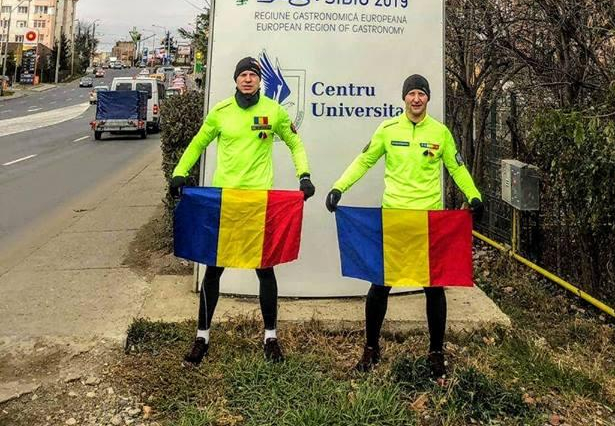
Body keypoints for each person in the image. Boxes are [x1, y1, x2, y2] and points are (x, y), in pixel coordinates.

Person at [325, 74, 483, 382]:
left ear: (427, 98)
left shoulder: (440, 132)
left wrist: (473, 194)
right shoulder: (387, 129)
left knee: (433, 287)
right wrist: (338, 187)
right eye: (411, 93)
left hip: (428, 221)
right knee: (380, 284)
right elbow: (363, 161)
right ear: (404, 98)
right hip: (394, 217)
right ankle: (371, 348)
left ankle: (436, 352)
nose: (416, 99)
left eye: (421, 94)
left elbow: (456, 167)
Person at [170, 55, 315, 366]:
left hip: (259, 204)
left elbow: (295, 143)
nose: (248, 79)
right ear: (235, 79)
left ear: (260, 80)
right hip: (225, 203)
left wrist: (304, 175)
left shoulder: (274, 111)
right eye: (243, 74)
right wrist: (180, 172)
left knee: (265, 269)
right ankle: (202, 338)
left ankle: (271, 337)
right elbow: (198, 143)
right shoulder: (221, 112)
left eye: (253, 74)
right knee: (213, 270)